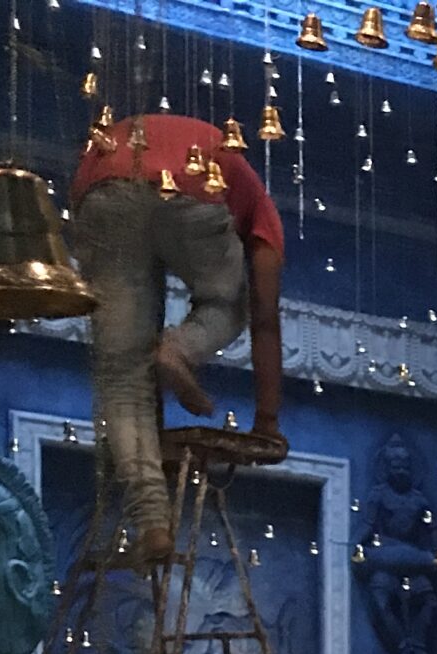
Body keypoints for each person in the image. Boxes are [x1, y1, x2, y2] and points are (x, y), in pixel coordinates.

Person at [68, 112, 288, 565]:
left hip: (101, 190)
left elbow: (80, 202)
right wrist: (267, 421)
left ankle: (151, 522)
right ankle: (178, 349)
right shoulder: (261, 210)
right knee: (231, 304)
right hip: (195, 179)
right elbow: (265, 317)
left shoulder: (122, 139)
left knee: (122, 375)